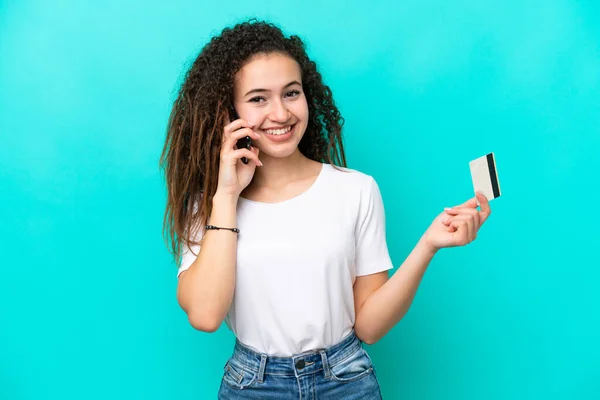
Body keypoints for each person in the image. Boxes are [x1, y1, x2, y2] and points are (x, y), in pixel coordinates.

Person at [159, 19, 492, 400]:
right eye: (257, 99)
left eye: (291, 93)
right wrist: (227, 196)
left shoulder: (355, 190)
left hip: (346, 381)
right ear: (228, 112)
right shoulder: (211, 204)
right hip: (252, 386)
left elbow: (368, 325)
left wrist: (428, 246)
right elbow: (204, 315)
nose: (281, 113)